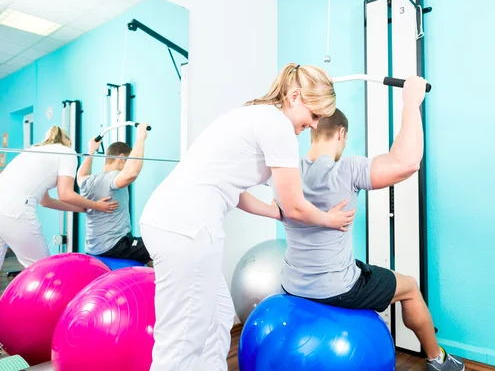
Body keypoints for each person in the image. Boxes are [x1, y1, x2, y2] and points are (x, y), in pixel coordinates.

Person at [138, 63, 355, 371]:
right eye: (315, 114)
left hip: (171, 220)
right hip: (187, 228)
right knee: (183, 337)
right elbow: (295, 205)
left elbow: (235, 190)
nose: (315, 124)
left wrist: (273, 212)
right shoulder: (278, 126)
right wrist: (328, 219)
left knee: (218, 317)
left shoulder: (253, 115)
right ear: (295, 97)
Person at [248, 76, 465, 371]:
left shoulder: (286, 170)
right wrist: (411, 102)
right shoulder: (346, 169)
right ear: (340, 134)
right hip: (337, 287)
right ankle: (438, 360)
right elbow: (407, 162)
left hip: (293, 283)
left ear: (313, 130)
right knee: (411, 287)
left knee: (361, 266)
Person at [0, 126, 119, 272]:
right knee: (42, 270)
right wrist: (95, 205)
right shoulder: (67, 152)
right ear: (68, 141)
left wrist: (84, 208)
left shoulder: (34, 151)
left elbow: (46, 201)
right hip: (15, 212)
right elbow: (65, 194)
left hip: (5, 209)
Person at [77, 124, 152, 266]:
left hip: (93, 247)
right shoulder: (113, 178)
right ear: (121, 158)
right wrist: (141, 137)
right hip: (114, 245)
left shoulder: (88, 181)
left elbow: (80, 175)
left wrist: (91, 151)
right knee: (158, 247)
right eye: (128, 160)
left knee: (144, 252)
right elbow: (131, 174)